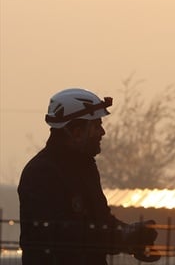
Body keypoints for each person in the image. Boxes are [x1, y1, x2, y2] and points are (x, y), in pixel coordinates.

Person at [18, 88, 160, 264]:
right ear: (76, 132)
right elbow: (63, 235)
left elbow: (100, 221)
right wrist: (123, 237)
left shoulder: (85, 168)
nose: (102, 132)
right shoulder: (41, 173)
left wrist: (132, 239)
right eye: (96, 125)